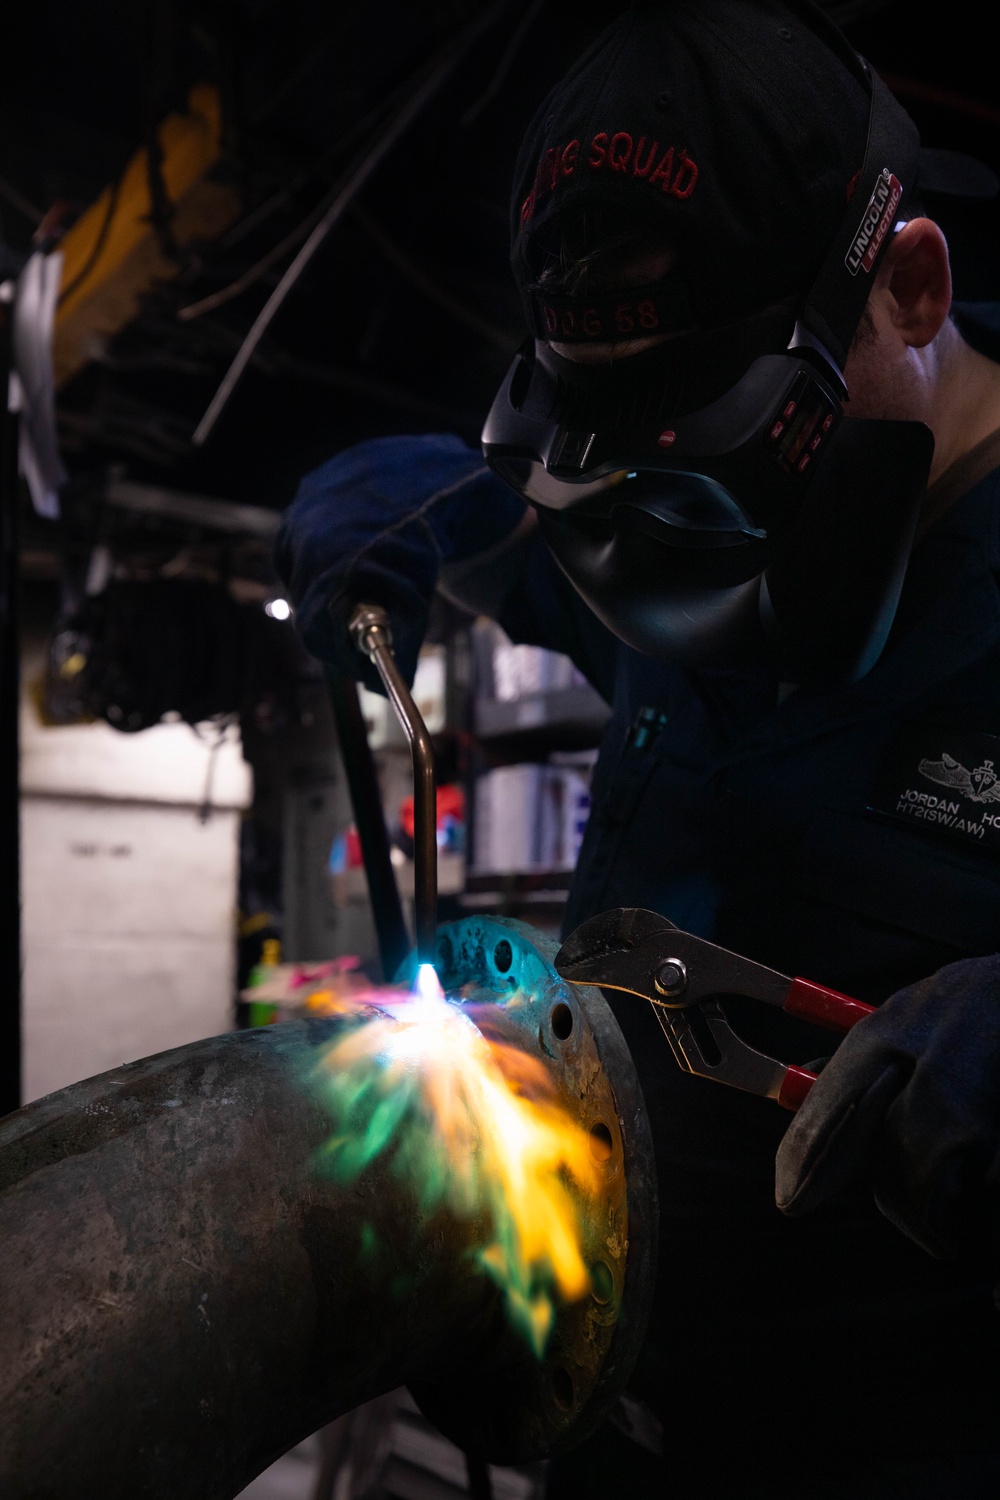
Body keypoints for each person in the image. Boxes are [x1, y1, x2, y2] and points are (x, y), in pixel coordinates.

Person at [276, 2, 1000, 1493]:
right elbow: (554, 557)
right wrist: (440, 524)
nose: (679, 542)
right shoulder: (678, 543)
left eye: (726, 448)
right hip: (606, 1425)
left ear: (914, 288)